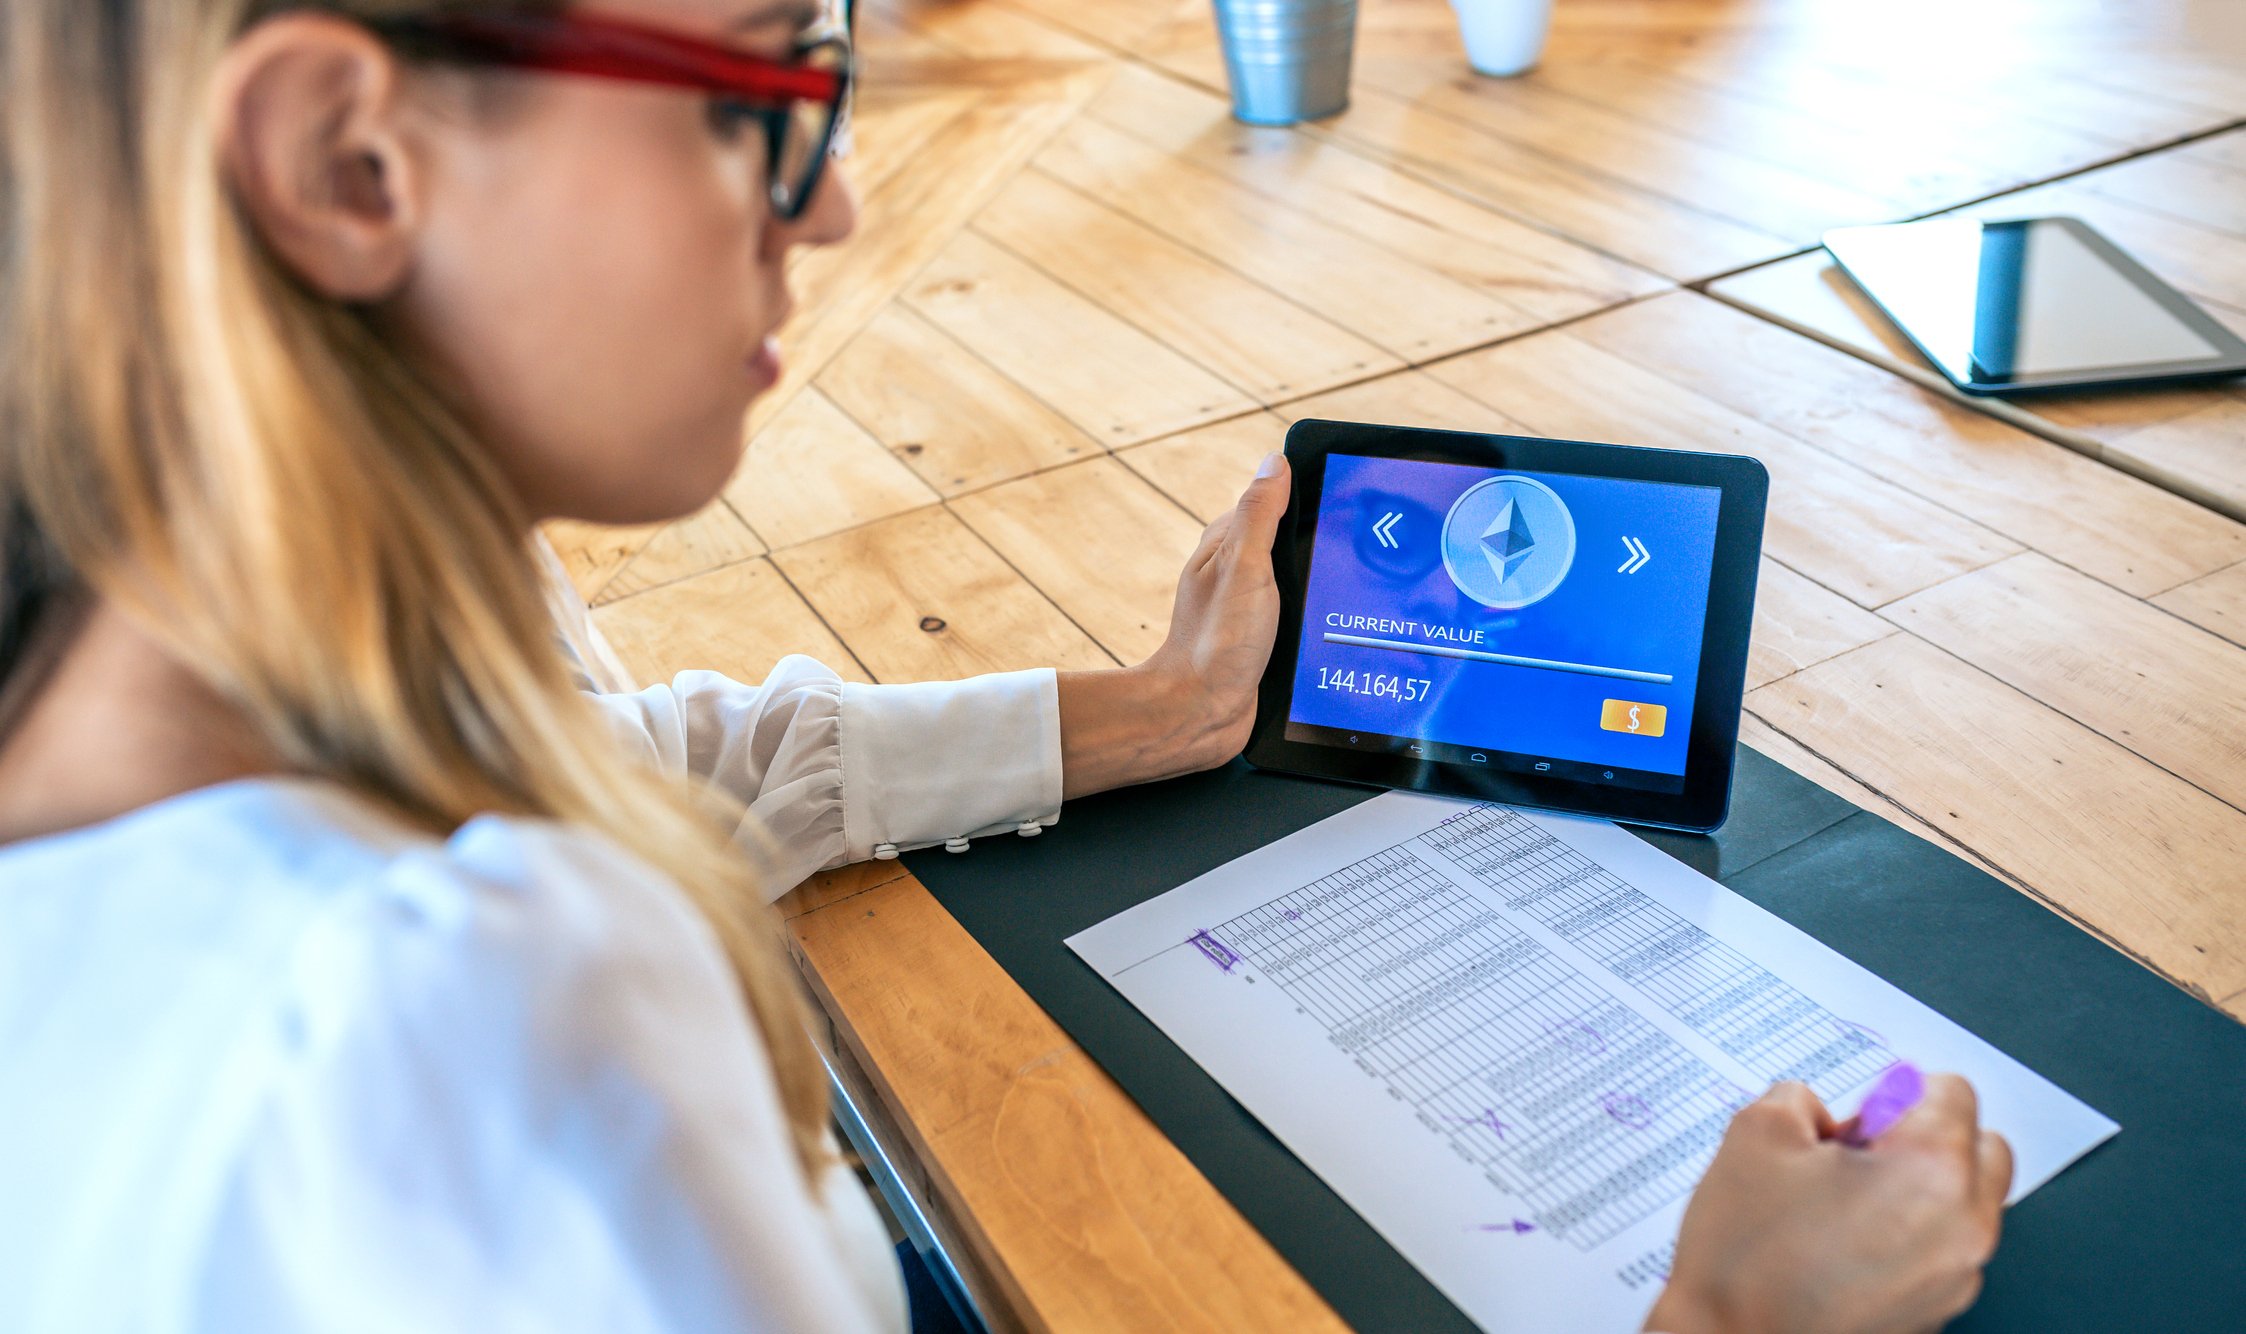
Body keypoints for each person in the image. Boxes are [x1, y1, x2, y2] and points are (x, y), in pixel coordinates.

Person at [0, 2, 2011, 1331]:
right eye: (764, 100)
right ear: (351, 162)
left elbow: (618, 759)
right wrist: (1719, 1319)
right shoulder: (477, 1001)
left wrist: (1156, 709)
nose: (842, 198)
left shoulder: (142, 691)